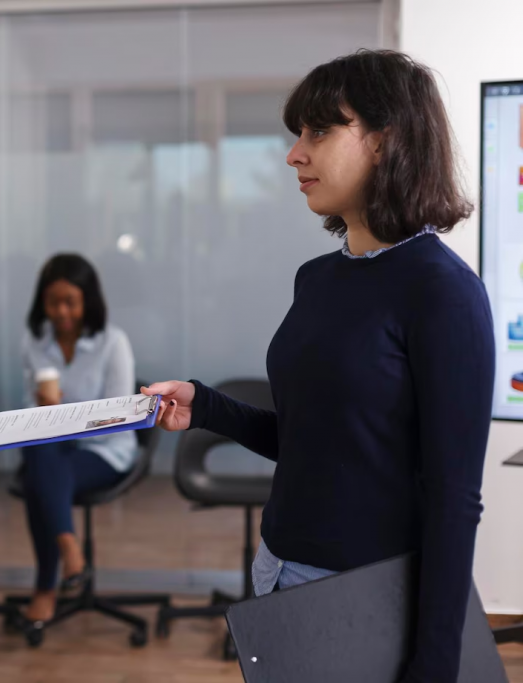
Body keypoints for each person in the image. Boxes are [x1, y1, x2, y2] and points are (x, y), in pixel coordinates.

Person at [144, 50, 494, 683]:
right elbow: (316, 442)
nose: (293, 154)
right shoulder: (317, 279)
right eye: (296, 134)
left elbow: (452, 498)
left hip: (363, 590)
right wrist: (207, 405)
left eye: (319, 131)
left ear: (386, 141)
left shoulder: (443, 292)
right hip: (276, 569)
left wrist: (436, 661)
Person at [18, 254, 137, 624]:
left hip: (104, 449)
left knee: (42, 474)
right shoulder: (34, 342)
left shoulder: (113, 342)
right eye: (53, 302)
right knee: (41, 451)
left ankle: (46, 586)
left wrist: (67, 416)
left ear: (88, 301)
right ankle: (68, 545)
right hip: (51, 446)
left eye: (70, 301)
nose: (61, 311)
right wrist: (42, 408)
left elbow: (122, 416)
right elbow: (27, 411)